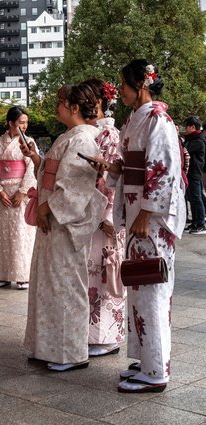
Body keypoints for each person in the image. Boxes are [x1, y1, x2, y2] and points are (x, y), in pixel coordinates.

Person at [91, 60, 186, 393]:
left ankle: (157, 370)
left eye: (125, 85)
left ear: (140, 86)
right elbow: (131, 164)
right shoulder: (135, 118)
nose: (123, 92)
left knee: (152, 290)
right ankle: (147, 360)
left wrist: (147, 212)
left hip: (151, 219)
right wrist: (110, 167)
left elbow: (164, 171)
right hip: (137, 213)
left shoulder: (158, 119)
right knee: (140, 289)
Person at [22, 84, 107, 372]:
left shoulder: (83, 139)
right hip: (52, 222)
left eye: (60, 102)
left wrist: (47, 208)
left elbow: (76, 186)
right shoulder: (69, 136)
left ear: (73, 107)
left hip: (62, 222)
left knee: (66, 284)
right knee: (49, 282)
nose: (56, 106)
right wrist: (36, 159)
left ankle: (69, 352)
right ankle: (45, 346)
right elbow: (50, 171)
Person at [80, 79, 127, 357]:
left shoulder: (109, 133)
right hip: (91, 211)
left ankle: (106, 336)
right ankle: (93, 333)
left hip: (103, 213)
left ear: (97, 102)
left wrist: (108, 212)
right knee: (92, 274)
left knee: (105, 272)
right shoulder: (94, 132)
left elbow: (112, 178)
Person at [0, 106, 37, 289]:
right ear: (10, 123)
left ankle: (23, 274)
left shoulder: (29, 142)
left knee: (21, 234)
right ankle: (4, 274)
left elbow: (32, 167)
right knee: (4, 234)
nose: (24, 126)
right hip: (4, 194)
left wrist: (23, 191)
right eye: (21, 123)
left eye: (26, 123)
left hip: (19, 194)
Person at [182, 116, 206, 234]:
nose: (185, 129)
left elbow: (184, 150)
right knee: (193, 197)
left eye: (186, 126)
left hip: (194, 172)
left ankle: (201, 223)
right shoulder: (193, 138)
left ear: (192, 127)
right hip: (191, 172)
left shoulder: (198, 141)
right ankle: (195, 222)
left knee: (197, 198)